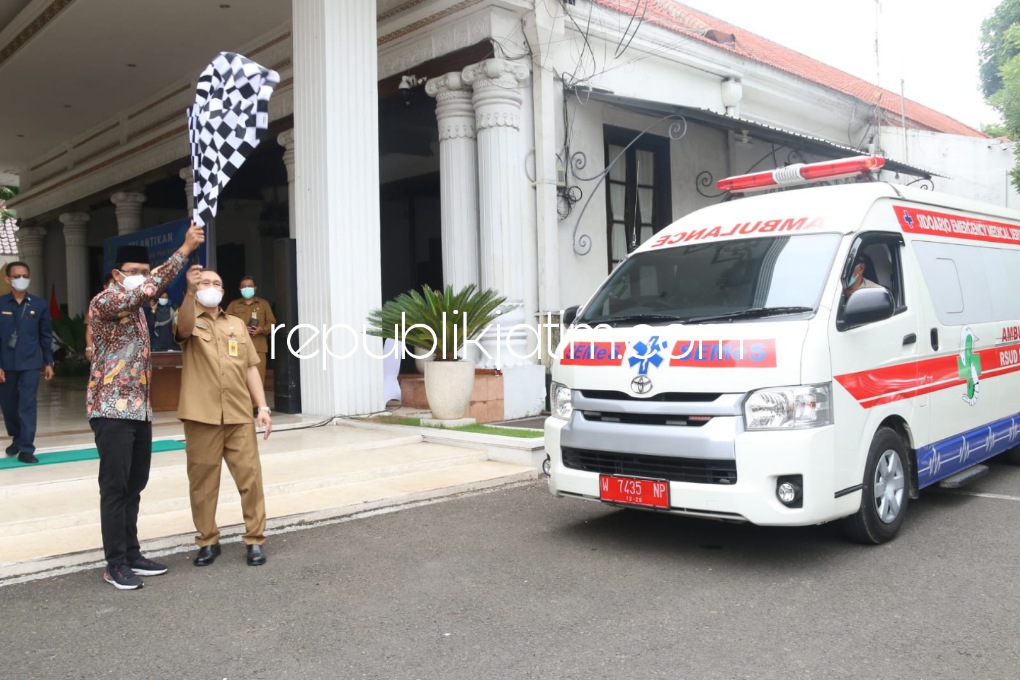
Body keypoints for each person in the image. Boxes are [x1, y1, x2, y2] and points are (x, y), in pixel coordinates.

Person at [87, 224, 205, 590]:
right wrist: (184, 249)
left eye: (143, 272)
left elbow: (153, 291)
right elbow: (153, 287)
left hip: (139, 410)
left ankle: (132, 553)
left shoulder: (139, 309)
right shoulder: (106, 301)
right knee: (115, 487)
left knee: (135, 484)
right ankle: (115, 563)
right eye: (134, 273)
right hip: (111, 410)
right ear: (117, 275)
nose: (141, 279)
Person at [176, 266, 272, 568]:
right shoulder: (189, 319)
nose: (211, 286)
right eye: (205, 282)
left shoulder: (236, 324)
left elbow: (250, 368)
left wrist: (263, 407)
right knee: (203, 483)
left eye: (216, 283)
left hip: (238, 413)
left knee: (250, 479)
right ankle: (208, 540)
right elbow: (182, 329)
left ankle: (255, 540)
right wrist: (190, 292)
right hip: (201, 415)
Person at [0, 262, 54, 464]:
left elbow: (45, 336)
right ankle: (17, 437)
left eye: (24, 275)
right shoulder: (1, 304)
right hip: (5, 364)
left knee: (27, 405)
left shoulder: (39, 305)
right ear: (8, 279)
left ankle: (26, 448)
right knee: (8, 405)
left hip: (31, 363)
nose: (21, 279)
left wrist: (48, 362)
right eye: (16, 276)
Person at [225, 276, 276, 394]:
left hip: (258, 348)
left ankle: (256, 407)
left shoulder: (263, 304)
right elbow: (224, 323)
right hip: (238, 348)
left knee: (258, 378)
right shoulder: (233, 305)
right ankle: (242, 407)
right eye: (244, 286)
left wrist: (261, 329)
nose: (247, 288)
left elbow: (272, 323)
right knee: (239, 379)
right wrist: (239, 330)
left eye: (249, 286)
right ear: (240, 289)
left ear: (255, 288)